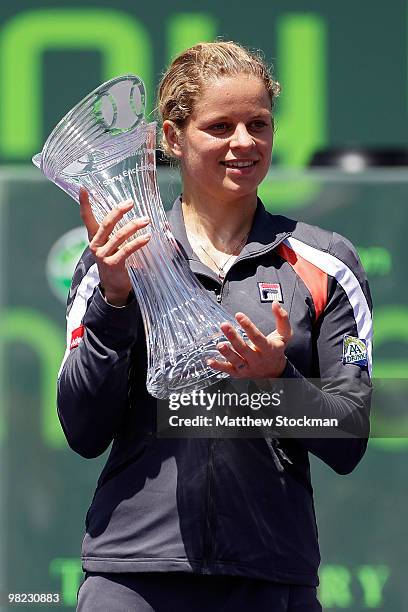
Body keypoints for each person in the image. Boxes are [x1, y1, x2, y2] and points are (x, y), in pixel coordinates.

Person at [58, 42, 373, 611]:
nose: (243, 143)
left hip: (270, 578)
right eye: (220, 126)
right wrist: (114, 297)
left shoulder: (325, 262)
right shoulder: (118, 258)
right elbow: (82, 429)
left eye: (258, 124)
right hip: (134, 578)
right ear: (172, 138)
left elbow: (350, 436)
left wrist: (276, 384)